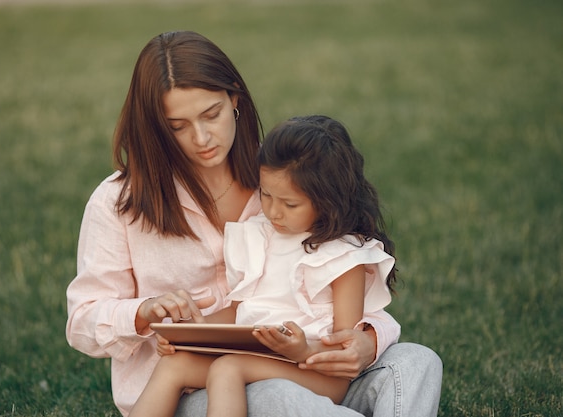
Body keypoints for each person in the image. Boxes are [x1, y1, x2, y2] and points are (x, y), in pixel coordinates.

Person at [65, 30, 443, 417]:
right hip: (195, 391)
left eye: (211, 114)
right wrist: (144, 313)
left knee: (416, 362)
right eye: (177, 126)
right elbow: (81, 322)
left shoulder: (284, 176)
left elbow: (338, 286)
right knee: (274, 396)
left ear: (234, 99)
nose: (201, 137)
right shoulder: (119, 201)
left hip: (306, 365)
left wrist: (366, 340)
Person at [128, 115, 399, 417]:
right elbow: (239, 310)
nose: (272, 211)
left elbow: (344, 347)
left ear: (328, 200)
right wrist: (194, 333)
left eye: (289, 204)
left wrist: (303, 351)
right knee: (173, 364)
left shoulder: (344, 257)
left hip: (318, 371)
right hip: (255, 356)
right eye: (266, 195)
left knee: (228, 368)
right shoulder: (259, 235)